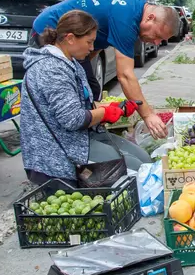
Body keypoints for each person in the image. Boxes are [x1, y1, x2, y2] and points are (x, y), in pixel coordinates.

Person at [21, 10, 152, 186]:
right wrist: (105, 112)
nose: (92, 48)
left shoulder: (70, 62)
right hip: (58, 152)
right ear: (70, 38)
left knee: (145, 160)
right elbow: (73, 119)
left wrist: (117, 108)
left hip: (80, 138)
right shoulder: (51, 69)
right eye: (89, 42)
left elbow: (82, 105)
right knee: (139, 170)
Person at [32, 0, 179, 139]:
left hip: (68, 37)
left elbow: (96, 44)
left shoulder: (137, 5)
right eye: (157, 35)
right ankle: (63, 139)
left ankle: (86, 137)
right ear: (150, 18)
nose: (156, 43)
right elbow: (125, 75)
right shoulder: (127, 19)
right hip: (49, 30)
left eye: (161, 40)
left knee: (90, 89)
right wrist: (148, 115)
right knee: (78, 95)